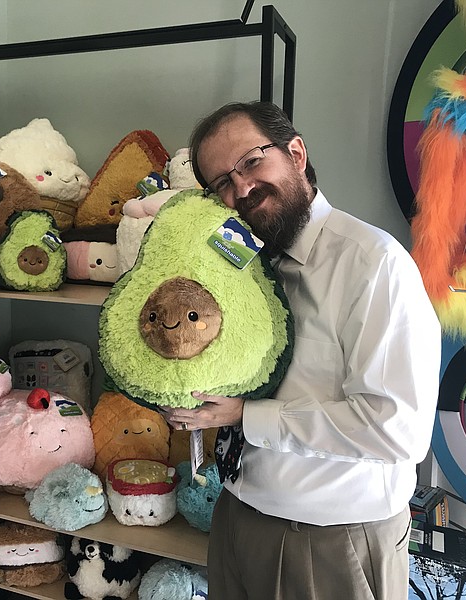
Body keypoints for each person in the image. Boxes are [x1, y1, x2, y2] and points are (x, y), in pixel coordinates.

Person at [162, 101, 442, 600]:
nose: (241, 188)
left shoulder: (373, 265)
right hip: (235, 514)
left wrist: (246, 417)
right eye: (222, 183)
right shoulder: (237, 262)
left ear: (296, 152)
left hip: (329, 543)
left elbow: (397, 428)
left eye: (251, 161)